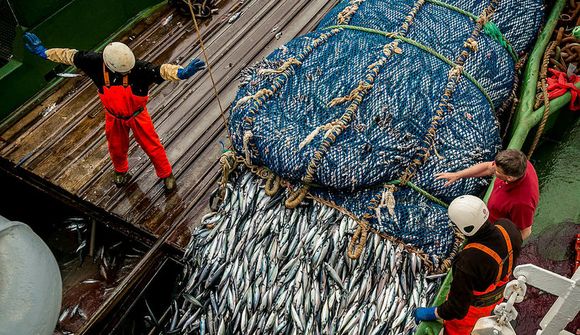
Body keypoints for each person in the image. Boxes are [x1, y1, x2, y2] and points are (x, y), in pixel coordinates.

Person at [23, 32, 206, 193]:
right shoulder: (93, 62)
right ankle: (120, 170)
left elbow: (161, 70)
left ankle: (166, 174)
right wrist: (44, 52)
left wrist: (181, 72)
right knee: (116, 147)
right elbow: (69, 55)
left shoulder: (138, 69)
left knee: (152, 146)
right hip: (114, 117)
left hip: (137, 116)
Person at [414, 195, 523, 335]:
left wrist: (431, 313)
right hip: (497, 300)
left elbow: (456, 309)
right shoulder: (508, 228)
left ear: (466, 228)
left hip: (470, 316)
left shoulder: (468, 260)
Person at [435, 149, 539, 240]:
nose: (493, 168)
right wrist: (457, 175)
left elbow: (526, 231)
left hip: (494, 229)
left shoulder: (522, 203)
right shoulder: (520, 163)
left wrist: (500, 245)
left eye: (497, 171)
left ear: (509, 178)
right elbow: (489, 168)